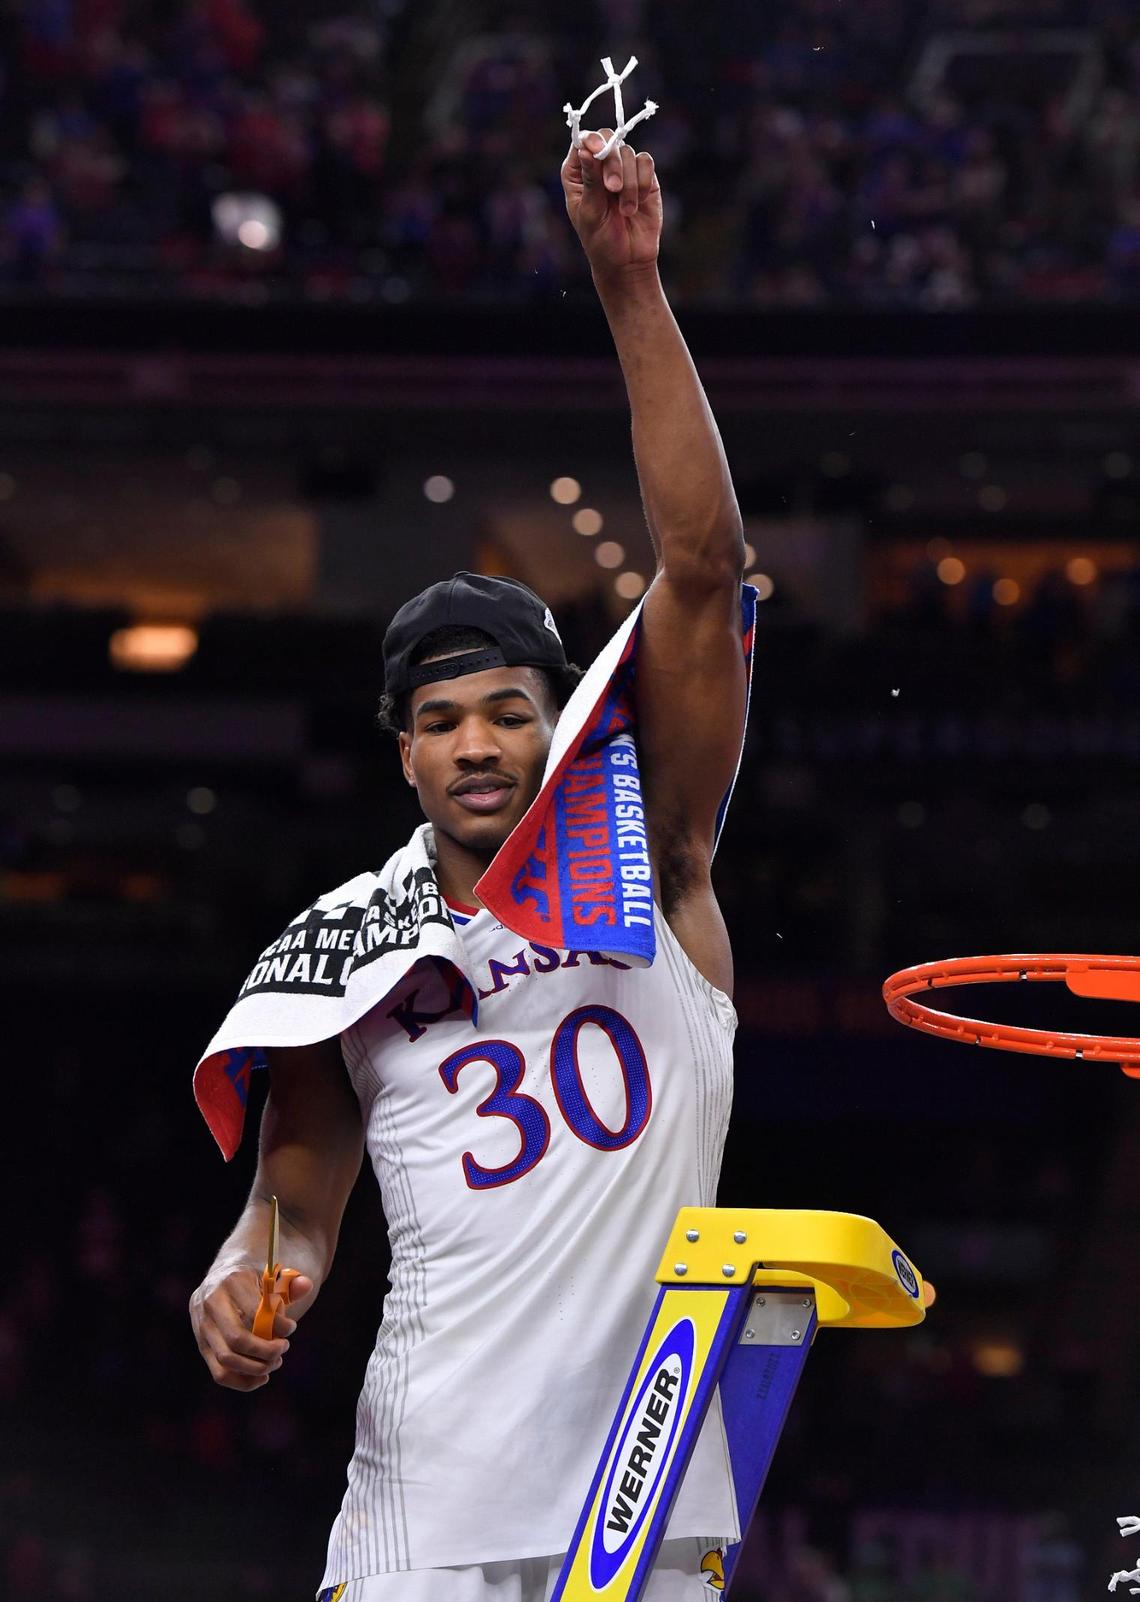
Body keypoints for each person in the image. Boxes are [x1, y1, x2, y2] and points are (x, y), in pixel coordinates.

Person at [190, 123, 751, 1601]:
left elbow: (700, 569)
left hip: (650, 1493)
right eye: (441, 721)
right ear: (406, 754)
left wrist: (629, 283)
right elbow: (294, 1200)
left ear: (555, 721)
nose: (479, 743)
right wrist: (250, 1282)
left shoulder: (660, 855)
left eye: (511, 709)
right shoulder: (344, 942)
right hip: (427, 1506)